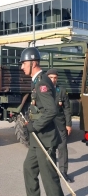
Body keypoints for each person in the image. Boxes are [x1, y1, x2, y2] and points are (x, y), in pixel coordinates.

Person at [20, 47, 64, 196]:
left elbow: (52, 110)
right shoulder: (37, 81)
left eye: (23, 63)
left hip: (45, 139)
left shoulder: (41, 83)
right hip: (37, 139)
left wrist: (35, 126)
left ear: (33, 63)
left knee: (49, 179)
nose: (21, 67)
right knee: (28, 169)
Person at [46, 68, 74, 183]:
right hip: (47, 125)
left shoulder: (61, 90)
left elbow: (67, 108)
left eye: (55, 78)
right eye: (51, 78)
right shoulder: (43, 90)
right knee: (50, 149)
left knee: (62, 148)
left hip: (60, 124)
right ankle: (50, 173)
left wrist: (68, 124)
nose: (53, 80)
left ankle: (63, 172)